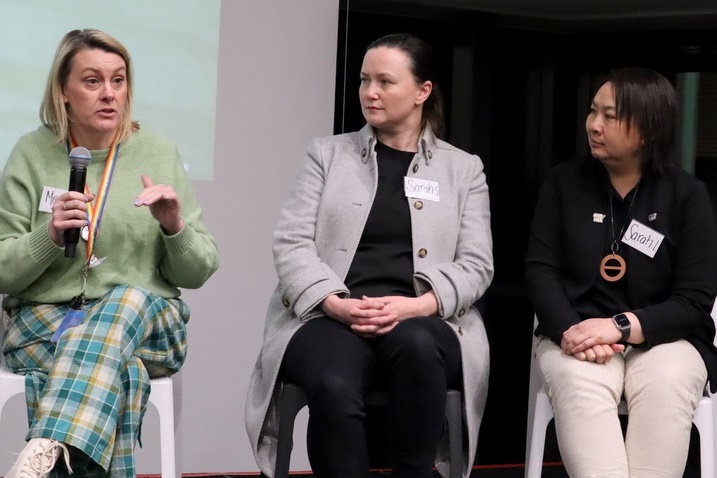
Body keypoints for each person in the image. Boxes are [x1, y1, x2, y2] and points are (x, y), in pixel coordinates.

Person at [245, 32, 493, 478]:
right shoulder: (327, 155)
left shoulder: (463, 169)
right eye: (364, 80)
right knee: (334, 383)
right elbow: (291, 243)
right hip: (328, 315)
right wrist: (335, 303)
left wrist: (418, 305)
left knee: (418, 346)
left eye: (384, 81)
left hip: (425, 318)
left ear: (422, 91)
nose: (370, 92)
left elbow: (477, 265)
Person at [0, 29, 219, 477]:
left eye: (118, 81)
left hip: (148, 326)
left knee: (129, 297)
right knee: (117, 372)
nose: (109, 94)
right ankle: (54, 446)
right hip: (46, 324)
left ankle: (47, 442)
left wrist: (174, 225)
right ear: (63, 90)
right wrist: (49, 235)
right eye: (93, 81)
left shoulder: (157, 153)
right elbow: (3, 272)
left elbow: (199, 271)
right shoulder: (31, 152)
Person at [525, 67, 717, 477]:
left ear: (647, 129)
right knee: (579, 382)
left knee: (667, 383)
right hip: (576, 336)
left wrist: (620, 326)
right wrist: (570, 333)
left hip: (669, 339)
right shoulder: (563, 183)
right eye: (593, 112)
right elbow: (540, 272)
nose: (594, 125)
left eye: (610, 116)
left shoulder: (687, 195)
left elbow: (695, 300)